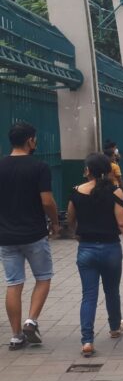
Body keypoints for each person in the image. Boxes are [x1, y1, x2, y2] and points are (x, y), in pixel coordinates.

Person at [67, 153, 123, 357]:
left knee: (88, 295)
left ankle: (87, 340)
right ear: (108, 171)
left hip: (86, 249)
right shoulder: (116, 192)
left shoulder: (76, 192)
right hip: (110, 249)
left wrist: (76, 234)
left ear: (88, 170)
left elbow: (71, 218)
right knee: (111, 290)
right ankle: (115, 327)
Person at [0, 122, 58, 350]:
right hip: (34, 233)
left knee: (13, 283)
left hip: (5, 236)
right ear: (30, 141)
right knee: (43, 277)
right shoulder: (39, 167)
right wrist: (54, 222)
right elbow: (47, 201)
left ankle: (16, 335)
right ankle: (31, 321)